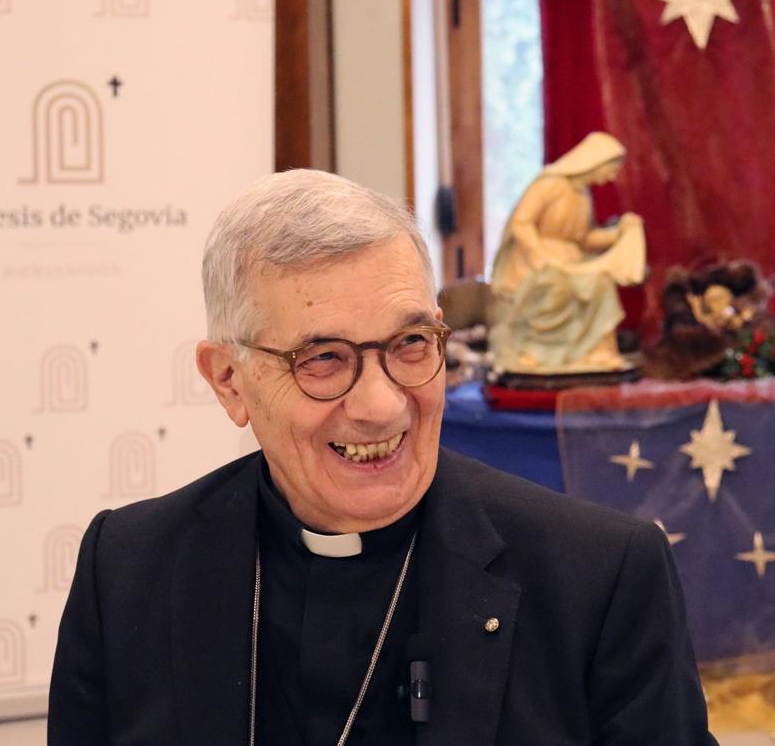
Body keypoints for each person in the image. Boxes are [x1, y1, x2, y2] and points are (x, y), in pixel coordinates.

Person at [48, 169, 715, 744]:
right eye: (324, 358)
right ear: (229, 379)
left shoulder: (599, 578)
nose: (383, 403)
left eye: (410, 345)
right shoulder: (128, 569)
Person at [489, 131, 646, 375]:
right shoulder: (550, 184)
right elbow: (522, 222)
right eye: (611, 168)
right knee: (558, 285)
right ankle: (536, 353)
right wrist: (540, 254)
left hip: (572, 261)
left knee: (602, 283)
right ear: (595, 162)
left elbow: (583, 238)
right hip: (536, 261)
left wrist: (619, 233)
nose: (612, 176)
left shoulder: (583, 194)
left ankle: (598, 352)